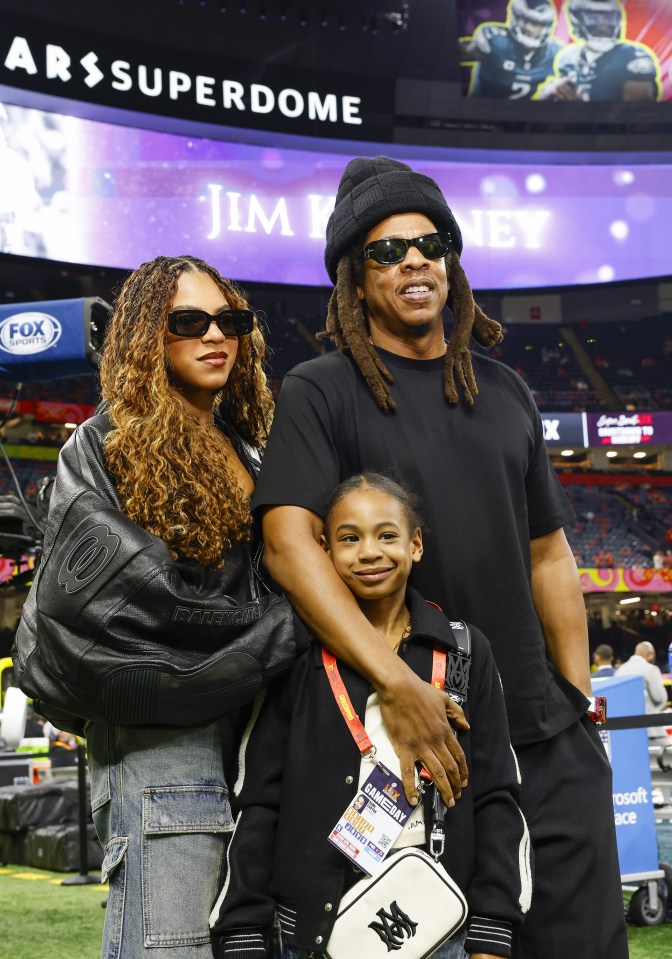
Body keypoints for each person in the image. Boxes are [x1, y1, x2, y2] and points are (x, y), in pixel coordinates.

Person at [252, 156, 627, 958]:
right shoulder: (321, 389)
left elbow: (550, 554)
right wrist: (397, 685)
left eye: (429, 242)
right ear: (355, 280)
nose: (414, 260)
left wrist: (577, 703)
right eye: (386, 251)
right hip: (419, 739)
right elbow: (288, 545)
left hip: (544, 738)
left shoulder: (506, 389)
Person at [14, 255, 299, 959]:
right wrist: (292, 624)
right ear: (147, 335)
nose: (216, 336)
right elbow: (134, 603)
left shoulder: (252, 450)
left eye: (230, 321)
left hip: (252, 749)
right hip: (159, 754)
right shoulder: (106, 445)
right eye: (188, 321)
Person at [211, 473, 531, 959]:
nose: (369, 552)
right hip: (312, 931)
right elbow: (258, 800)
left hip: (438, 925)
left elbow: (497, 799)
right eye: (349, 538)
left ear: (416, 544)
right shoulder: (295, 654)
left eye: (387, 535)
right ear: (323, 550)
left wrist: (492, 930)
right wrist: (242, 927)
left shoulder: (463, 650)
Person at [537, 0, 661, 102]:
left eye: (608, 18)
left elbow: (639, 115)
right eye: (594, 18)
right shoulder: (568, 56)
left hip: (612, 131)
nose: (603, 26)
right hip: (571, 130)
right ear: (577, 19)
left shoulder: (633, 56)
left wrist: (581, 112)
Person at [459, 0, 563, 100]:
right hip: (482, 111)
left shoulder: (556, 53)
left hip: (529, 114)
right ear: (515, 18)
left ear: (547, 27)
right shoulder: (495, 40)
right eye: (526, 21)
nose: (531, 29)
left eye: (537, 25)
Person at [616, 641, 670, 742]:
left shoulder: (619, 671)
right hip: (650, 730)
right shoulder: (650, 669)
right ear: (650, 655)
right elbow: (659, 697)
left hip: (627, 731)